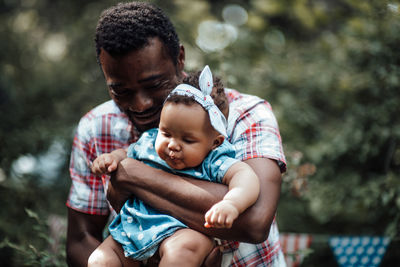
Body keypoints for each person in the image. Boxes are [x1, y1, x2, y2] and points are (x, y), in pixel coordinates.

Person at [66, 2, 287, 266]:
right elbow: (81, 239)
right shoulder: (96, 127)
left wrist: (135, 176)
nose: (141, 104)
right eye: (120, 91)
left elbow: (254, 222)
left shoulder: (247, 115)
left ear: (179, 58)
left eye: (154, 84)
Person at [87, 66, 261, 266]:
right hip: (133, 230)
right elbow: (127, 153)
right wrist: (112, 158)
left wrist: (232, 203)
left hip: (181, 232)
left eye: (187, 140)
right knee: (99, 259)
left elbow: (246, 177)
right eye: (166, 133)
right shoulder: (149, 143)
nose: (172, 145)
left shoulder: (214, 159)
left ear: (215, 142)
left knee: (183, 251)